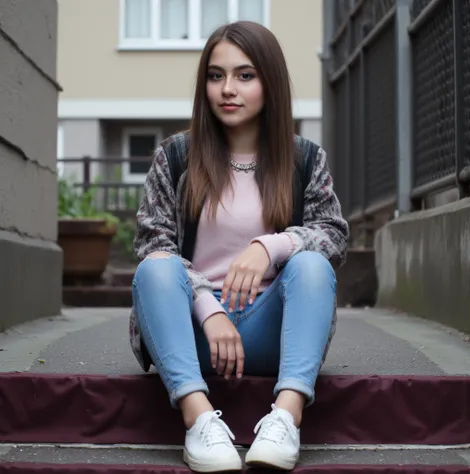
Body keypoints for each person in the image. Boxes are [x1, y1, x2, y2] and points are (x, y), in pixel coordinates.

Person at [129, 20, 349, 473]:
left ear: (269, 81)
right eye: (216, 75)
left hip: (272, 331)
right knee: (154, 269)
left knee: (310, 265)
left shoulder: (304, 158)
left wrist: (272, 246)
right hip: (190, 335)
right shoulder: (175, 157)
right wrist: (207, 307)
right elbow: (154, 242)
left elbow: (334, 235)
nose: (228, 89)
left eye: (245, 75)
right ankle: (199, 420)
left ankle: (286, 418)